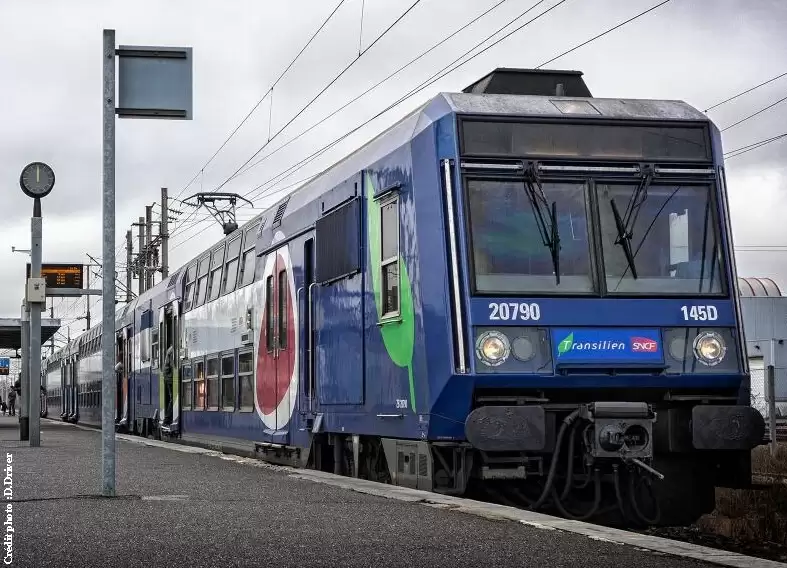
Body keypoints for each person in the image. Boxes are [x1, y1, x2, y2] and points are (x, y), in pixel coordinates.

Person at [163, 345, 174, 425]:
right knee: (173, 398)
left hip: (168, 376)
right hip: (170, 377)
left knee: (172, 398)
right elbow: (173, 365)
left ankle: (167, 418)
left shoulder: (170, 349)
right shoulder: (172, 350)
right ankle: (167, 419)